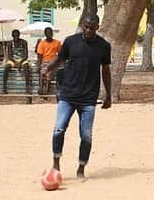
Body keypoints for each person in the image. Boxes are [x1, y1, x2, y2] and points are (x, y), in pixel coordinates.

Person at [42, 14, 112, 179]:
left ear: (97, 27)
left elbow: (106, 70)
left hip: (88, 98)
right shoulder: (70, 41)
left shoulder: (103, 46)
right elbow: (59, 59)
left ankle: (81, 168)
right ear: (82, 25)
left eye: (92, 27)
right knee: (59, 128)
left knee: (86, 135)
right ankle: (56, 162)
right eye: (86, 26)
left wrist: (109, 95)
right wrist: (47, 70)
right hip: (67, 95)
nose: (88, 30)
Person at [2, 29, 32, 94]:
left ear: (19, 35)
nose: (16, 37)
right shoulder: (10, 43)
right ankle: (4, 88)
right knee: (7, 67)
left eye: (17, 36)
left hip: (22, 59)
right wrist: (15, 63)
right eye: (14, 36)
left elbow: (26, 56)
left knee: (26, 67)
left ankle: (27, 88)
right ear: (12, 36)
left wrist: (20, 62)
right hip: (13, 60)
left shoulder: (24, 42)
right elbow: (9, 56)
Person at [36, 27, 61, 95]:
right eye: (48, 33)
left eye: (51, 33)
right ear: (45, 34)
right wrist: (38, 66)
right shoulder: (42, 43)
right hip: (45, 62)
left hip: (54, 62)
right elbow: (40, 56)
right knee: (43, 71)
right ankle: (41, 88)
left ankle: (46, 89)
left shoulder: (57, 42)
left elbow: (60, 54)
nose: (50, 34)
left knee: (49, 70)